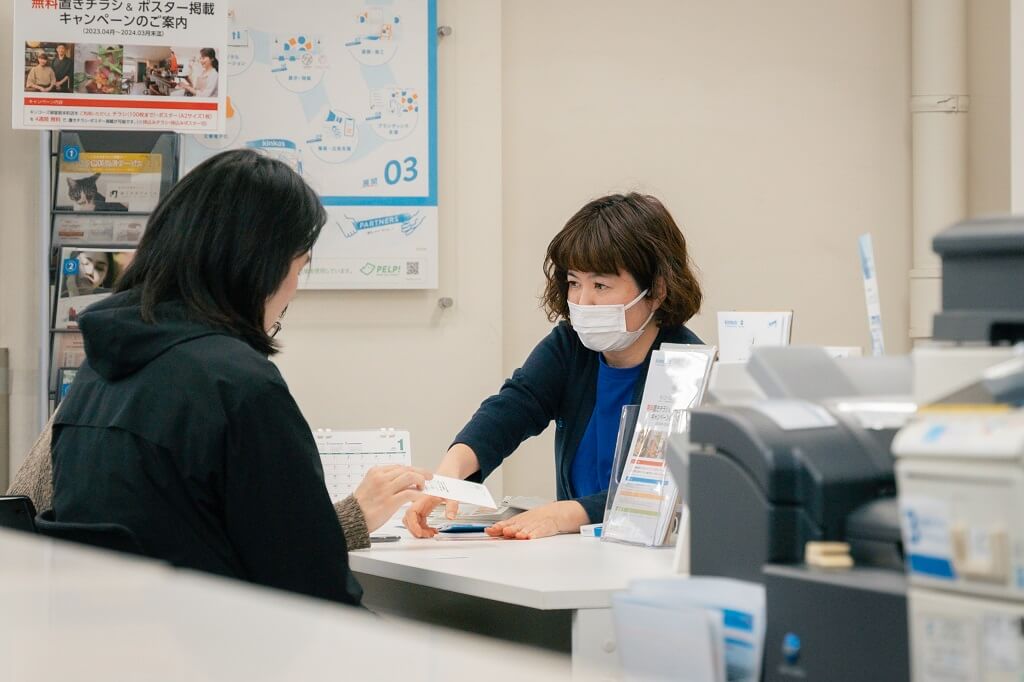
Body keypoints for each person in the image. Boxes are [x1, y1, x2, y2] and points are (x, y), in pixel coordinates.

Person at [50, 149, 429, 606]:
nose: (293, 291)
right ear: (261, 264)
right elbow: (315, 588)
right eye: (299, 268)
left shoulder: (96, 374)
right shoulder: (239, 387)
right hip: (226, 652)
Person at [405, 193, 704, 540]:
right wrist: (451, 473)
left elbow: (659, 491)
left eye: (601, 285)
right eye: (574, 283)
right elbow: (514, 407)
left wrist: (566, 514)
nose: (582, 301)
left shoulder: (685, 364)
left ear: (657, 289)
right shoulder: (570, 346)